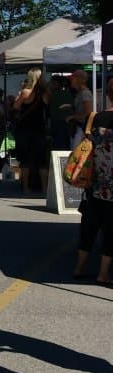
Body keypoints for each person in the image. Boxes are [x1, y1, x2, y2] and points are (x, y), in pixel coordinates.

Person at [72, 109, 113, 287]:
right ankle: (103, 274)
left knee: (89, 227)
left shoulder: (93, 117)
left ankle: (79, 268)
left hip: (93, 182)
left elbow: (83, 143)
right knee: (110, 231)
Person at [12, 69, 49, 195]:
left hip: (25, 129)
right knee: (42, 161)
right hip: (40, 129)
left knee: (25, 160)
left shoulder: (25, 92)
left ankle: (26, 187)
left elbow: (15, 106)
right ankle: (45, 189)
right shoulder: (45, 93)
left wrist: (19, 95)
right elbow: (47, 109)